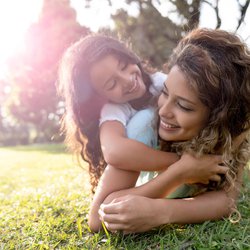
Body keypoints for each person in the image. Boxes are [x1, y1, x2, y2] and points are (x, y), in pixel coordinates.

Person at [94, 28, 250, 234]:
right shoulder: (145, 126)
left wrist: (162, 212)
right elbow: (98, 218)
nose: (164, 110)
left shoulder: (230, 133)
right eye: (165, 92)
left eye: (184, 106)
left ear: (217, 116)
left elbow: (227, 199)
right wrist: (179, 172)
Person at [57, 33, 223, 193]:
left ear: (129, 56)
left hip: (189, 158)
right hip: (149, 176)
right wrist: (182, 164)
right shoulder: (114, 110)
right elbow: (114, 151)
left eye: (123, 66)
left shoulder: (160, 82)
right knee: (144, 119)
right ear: (100, 97)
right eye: (112, 84)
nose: (127, 80)